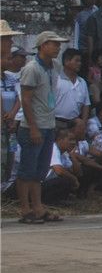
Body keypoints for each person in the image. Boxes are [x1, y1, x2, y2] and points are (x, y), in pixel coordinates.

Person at [15, 31, 66, 224]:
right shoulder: (32, 69)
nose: (58, 48)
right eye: (54, 44)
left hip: (48, 123)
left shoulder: (55, 66)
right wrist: (33, 127)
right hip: (33, 126)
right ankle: (25, 209)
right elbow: (26, 100)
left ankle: (37, 207)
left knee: (39, 171)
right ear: (43, 45)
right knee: (27, 170)